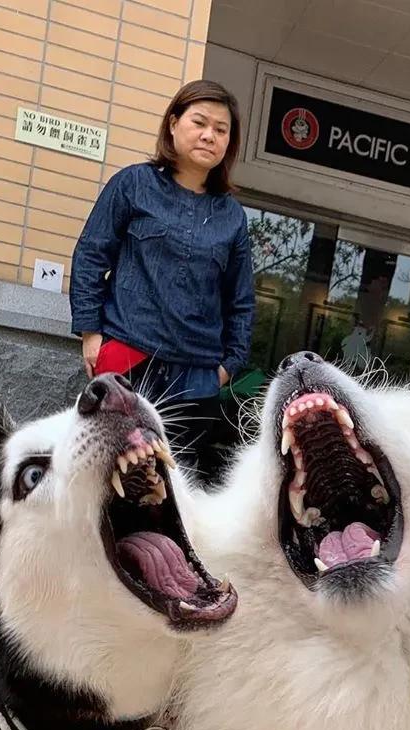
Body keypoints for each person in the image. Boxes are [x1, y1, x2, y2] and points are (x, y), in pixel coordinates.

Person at [69, 80, 254, 487]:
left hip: (196, 378)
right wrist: (90, 333)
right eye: (200, 122)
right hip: (126, 360)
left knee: (172, 489)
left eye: (221, 130)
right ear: (173, 124)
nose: (210, 135)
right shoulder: (133, 185)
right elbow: (90, 255)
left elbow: (240, 303)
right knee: (99, 478)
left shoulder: (232, 217)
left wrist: (226, 368)